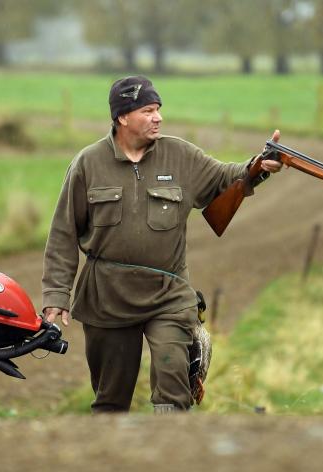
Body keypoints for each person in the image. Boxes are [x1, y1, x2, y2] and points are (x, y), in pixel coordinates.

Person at [41, 76, 283, 413]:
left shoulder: (180, 155)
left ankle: (170, 451)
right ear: (123, 117)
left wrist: (258, 167)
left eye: (158, 110)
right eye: (148, 111)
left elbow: (227, 176)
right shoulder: (88, 164)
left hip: (168, 293)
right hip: (108, 298)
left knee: (173, 384)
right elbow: (63, 234)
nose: (158, 117)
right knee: (111, 400)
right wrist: (56, 296)